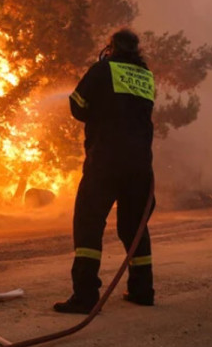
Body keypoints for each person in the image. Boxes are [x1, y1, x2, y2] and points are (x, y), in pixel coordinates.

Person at [54, 28, 157, 314]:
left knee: (88, 223)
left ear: (111, 48)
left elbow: (78, 105)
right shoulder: (145, 76)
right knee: (134, 226)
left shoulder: (103, 69)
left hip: (106, 161)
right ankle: (142, 290)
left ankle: (85, 295)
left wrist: (98, 109)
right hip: (140, 165)